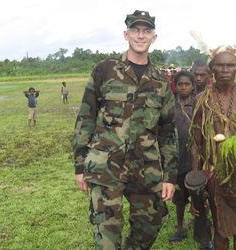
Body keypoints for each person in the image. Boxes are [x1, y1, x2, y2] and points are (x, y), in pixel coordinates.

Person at [73, 10, 178, 250]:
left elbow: (168, 132)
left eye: (146, 31)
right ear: (126, 34)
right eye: (135, 30)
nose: (140, 35)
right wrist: (80, 166)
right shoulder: (105, 70)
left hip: (146, 168)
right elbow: (85, 118)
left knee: (150, 227)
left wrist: (170, 177)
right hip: (105, 167)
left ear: (154, 37)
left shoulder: (161, 80)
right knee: (106, 240)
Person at [189, 45, 236, 250]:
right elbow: (195, 142)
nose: (225, 69)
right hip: (213, 172)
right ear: (212, 69)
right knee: (220, 229)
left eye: (230, 65)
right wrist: (196, 180)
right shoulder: (201, 100)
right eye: (220, 65)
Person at [170, 71, 194, 244]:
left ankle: (203, 230)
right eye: (180, 84)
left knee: (200, 197)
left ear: (192, 86)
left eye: (187, 84)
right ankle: (180, 228)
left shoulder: (199, 106)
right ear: (175, 86)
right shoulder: (170, 107)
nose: (184, 87)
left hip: (197, 161)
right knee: (179, 199)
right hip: (178, 159)